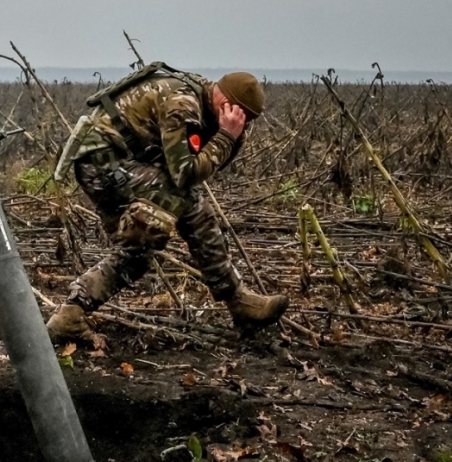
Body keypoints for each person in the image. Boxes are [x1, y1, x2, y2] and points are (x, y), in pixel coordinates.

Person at [47, 63, 289, 343]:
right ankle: (238, 300)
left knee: (137, 255)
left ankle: (70, 316)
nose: (242, 125)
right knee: (193, 206)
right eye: (242, 117)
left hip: (114, 162)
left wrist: (230, 137)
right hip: (103, 163)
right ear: (225, 102)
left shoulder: (203, 96)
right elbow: (185, 174)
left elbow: (203, 164)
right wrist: (225, 136)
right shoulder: (183, 104)